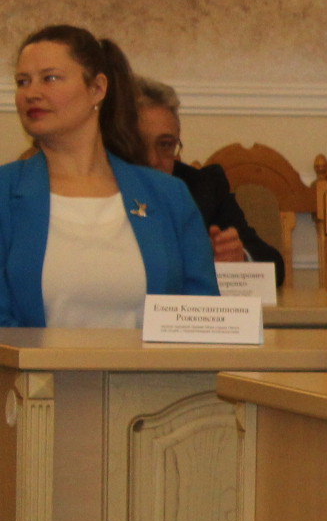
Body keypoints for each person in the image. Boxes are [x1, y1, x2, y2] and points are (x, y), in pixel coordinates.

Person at [3, 26, 218, 327]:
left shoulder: (168, 195)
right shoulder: (6, 193)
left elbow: (202, 316)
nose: (31, 94)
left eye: (49, 78)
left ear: (97, 88)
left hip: (150, 361)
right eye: (22, 82)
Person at [134, 75, 288, 285]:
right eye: (140, 144)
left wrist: (239, 258)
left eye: (166, 145)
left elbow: (273, 266)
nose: (153, 159)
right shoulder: (98, 188)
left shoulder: (203, 187)